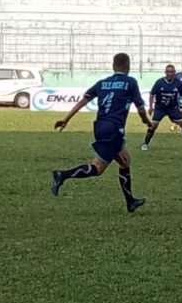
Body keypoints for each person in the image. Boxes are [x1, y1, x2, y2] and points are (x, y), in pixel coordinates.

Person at [51, 52, 151, 213]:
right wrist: (146, 121)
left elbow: (83, 101)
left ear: (113, 66)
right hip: (113, 128)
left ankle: (130, 201)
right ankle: (62, 175)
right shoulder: (130, 82)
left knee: (125, 161)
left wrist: (66, 119)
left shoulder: (102, 83)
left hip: (100, 126)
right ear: (128, 66)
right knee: (97, 168)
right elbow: (140, 108)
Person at [141, 64, 182, 152]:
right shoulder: (159, 82)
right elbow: (152, 94)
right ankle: (145, 144)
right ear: (165, 72)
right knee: (153, 126)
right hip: (160, 108)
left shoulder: (178, 83)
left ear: (174, 73)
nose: (170, 73)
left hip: (173, 108)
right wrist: (151, 107)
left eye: (172, 72)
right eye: (168, 72)